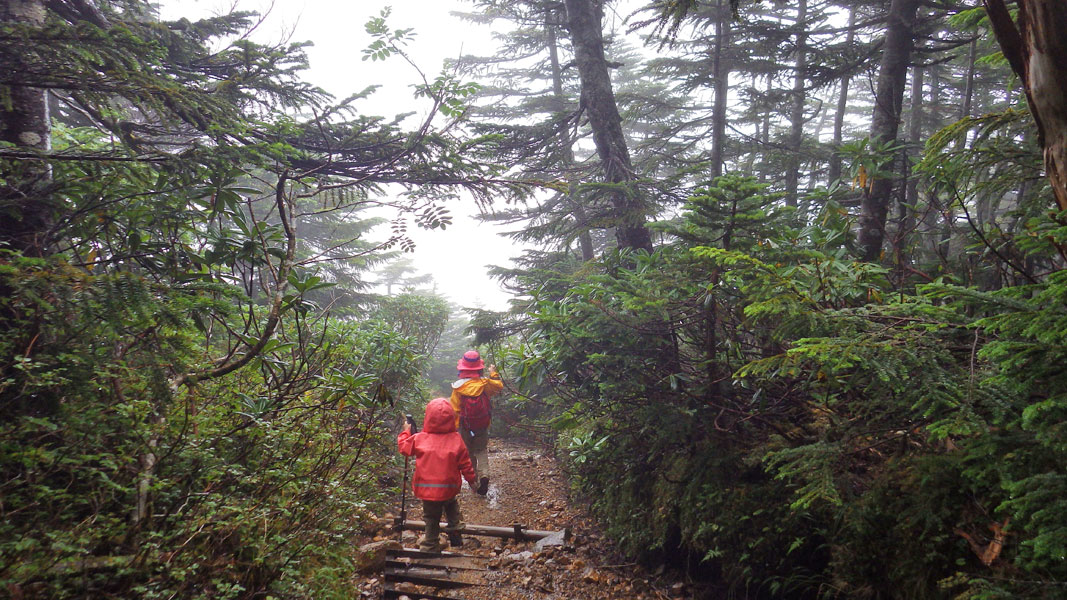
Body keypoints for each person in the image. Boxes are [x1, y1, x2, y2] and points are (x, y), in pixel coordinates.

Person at [397, 397, 479, 552]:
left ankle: (430, 545)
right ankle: (455, 529)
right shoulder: (456, 439)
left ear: (428, 417)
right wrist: (472, 481)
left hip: (427, 490)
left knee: (431, 518)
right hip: (448, 488)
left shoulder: (420, 439)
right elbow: (465, 464)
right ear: (451, 418)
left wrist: (406, 431)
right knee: (450, 504)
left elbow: (403, 448)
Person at [448, 350, 503, 496]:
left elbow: (454, 410)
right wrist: (493, 373)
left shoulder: (458, 388)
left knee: (469, 453)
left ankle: (475, 483)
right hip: (482, 424)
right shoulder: (485, 384)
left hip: (466, 426)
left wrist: (453, 430)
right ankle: (485, 475)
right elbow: (499, 387)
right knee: (481, 450)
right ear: (479, 367)